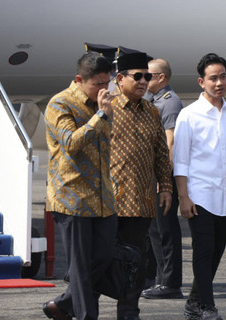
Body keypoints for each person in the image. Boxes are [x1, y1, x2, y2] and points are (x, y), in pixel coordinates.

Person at [173, 53, 226, 320]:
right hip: (199, 194)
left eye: (223, 77)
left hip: (225, 195)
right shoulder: (189, 115)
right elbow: (181, 160)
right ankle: (208, 308)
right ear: (202, 82)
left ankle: (193, 304)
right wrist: (183, 197)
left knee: (216, 253)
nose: (219, 82)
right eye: (213, 78)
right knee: (203, 250)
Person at [42, 52, 117, 320]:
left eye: (107, 83)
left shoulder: (105, 103)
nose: (104, 89)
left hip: (103, 198)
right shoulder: (60, 104)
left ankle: (64, 304)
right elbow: (71, 144)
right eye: (98, 83)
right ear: (79, 79)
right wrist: (100, 115)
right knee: (82, 267)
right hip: (72, 198)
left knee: (104, 258)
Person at [110, 52, 173, 320]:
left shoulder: (152, 111)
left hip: (142, 202)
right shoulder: (106, 109)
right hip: (109, 202)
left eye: (147, 76)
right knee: (101, 260)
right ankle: (74, 305)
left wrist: (167, 187)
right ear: (120, 79)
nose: (144, 81)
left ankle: (128, 312)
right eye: (138, 76)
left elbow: (161, 153)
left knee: (135, 264)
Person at [142, 58, 184, 299]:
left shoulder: (169, 103)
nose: (144, 80)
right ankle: (154, 277)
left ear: (162, 78)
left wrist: (163, 178)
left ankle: (170, 283)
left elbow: (171, 143)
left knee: (166, 230)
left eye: (149, 76)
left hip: (163, 179)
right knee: (153, 231)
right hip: (151, 177)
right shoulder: (153, 101)